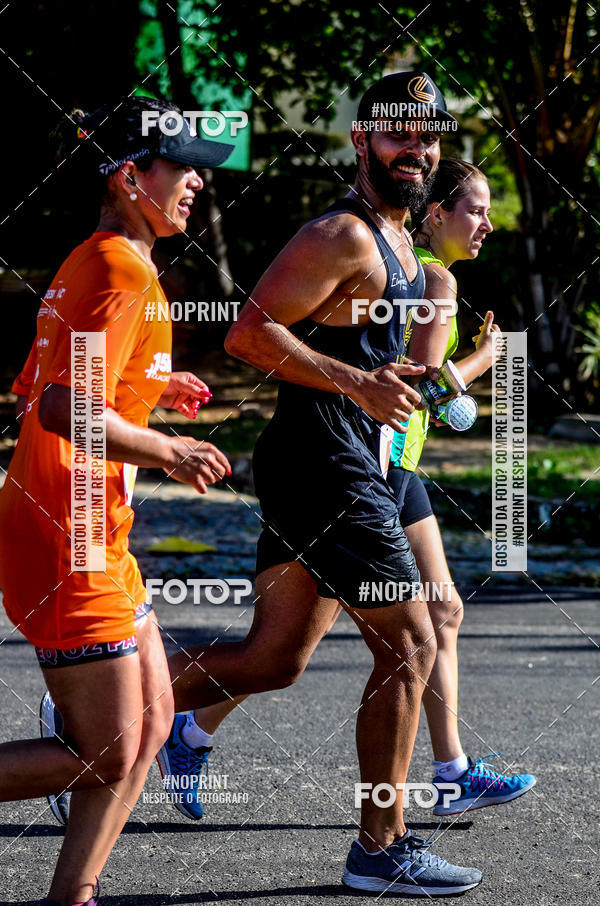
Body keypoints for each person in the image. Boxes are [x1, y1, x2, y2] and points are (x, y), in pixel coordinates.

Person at [159, 72, 483, 896]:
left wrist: (420, 377)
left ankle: (99, 702)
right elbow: (247, 333)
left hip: (348, 463)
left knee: (273, 659)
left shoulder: (405, 246)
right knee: (411, 641)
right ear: (361, 139)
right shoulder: (341, 232)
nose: (416, 147)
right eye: (399, 133)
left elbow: (388, 365)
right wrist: (355, 383)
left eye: (428, 136)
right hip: (324, 464)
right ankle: (381, 847)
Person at [0, 96, 232, 906]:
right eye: (184, 166)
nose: (200, 180)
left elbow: (38, 385)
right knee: (107, 749)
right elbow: (64, 405)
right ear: (133, 176)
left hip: (95, 530)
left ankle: (74, 897)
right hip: (71, 535)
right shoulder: (118, 268)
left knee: (156, 722)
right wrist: (173, 448)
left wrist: (152, 388)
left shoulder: (96, 260)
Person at [386, 157, 536, 814]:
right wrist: (485, 359)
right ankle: (171, 726)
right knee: (281, 652)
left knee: (443, 612)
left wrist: (455, 375)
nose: (489, 224)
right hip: (365, 471)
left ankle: (452, 773)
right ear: (438, 212)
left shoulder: (422, 271)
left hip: (398, 470)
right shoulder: (430, 277)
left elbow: (422, 384)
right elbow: (425, 386)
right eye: (476, 209)